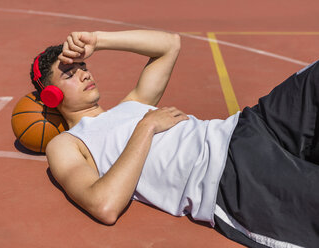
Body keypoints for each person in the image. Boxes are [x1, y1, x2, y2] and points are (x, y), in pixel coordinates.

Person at [30, 30, 319, 248]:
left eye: (82, 66)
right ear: (50, 95)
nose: (83, 74)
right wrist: (146, 127)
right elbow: (104, 204)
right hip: (230, 178)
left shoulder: (133, 102)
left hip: (247, 125)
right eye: (69, 73)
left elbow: (170, 44)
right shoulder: (68, 143)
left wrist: (99, 40)